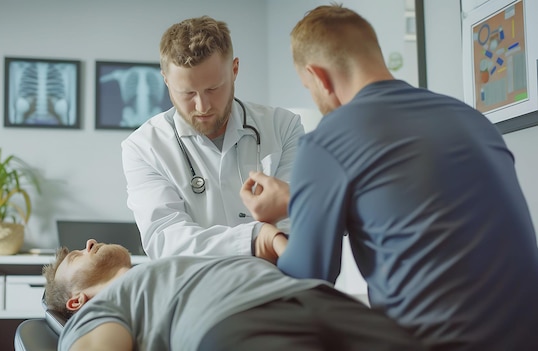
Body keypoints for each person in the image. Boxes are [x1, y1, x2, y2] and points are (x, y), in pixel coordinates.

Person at [240, 4, 538, 351]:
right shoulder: (470, 118)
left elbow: (307, 279)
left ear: (318, 76)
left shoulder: (327, 140)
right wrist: (299, 198)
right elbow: (410, 206)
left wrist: (270, 235)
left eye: (309, 87)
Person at [121, 15, 304, 259]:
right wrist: (255, 239)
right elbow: (166, 240)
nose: (202, 106)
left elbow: (300, 224)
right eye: (187, 93)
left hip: (280, 285)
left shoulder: (283, 126)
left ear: (235, 69)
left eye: (213, 89)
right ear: (166, 80)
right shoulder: (143, 147)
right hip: (198, 290)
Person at [44, 239, 425, 351]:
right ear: (77, 301)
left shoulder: (160, 271)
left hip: (309, 295)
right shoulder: (96, 312)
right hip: (234, 321)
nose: (89, 242)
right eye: (77, 255)